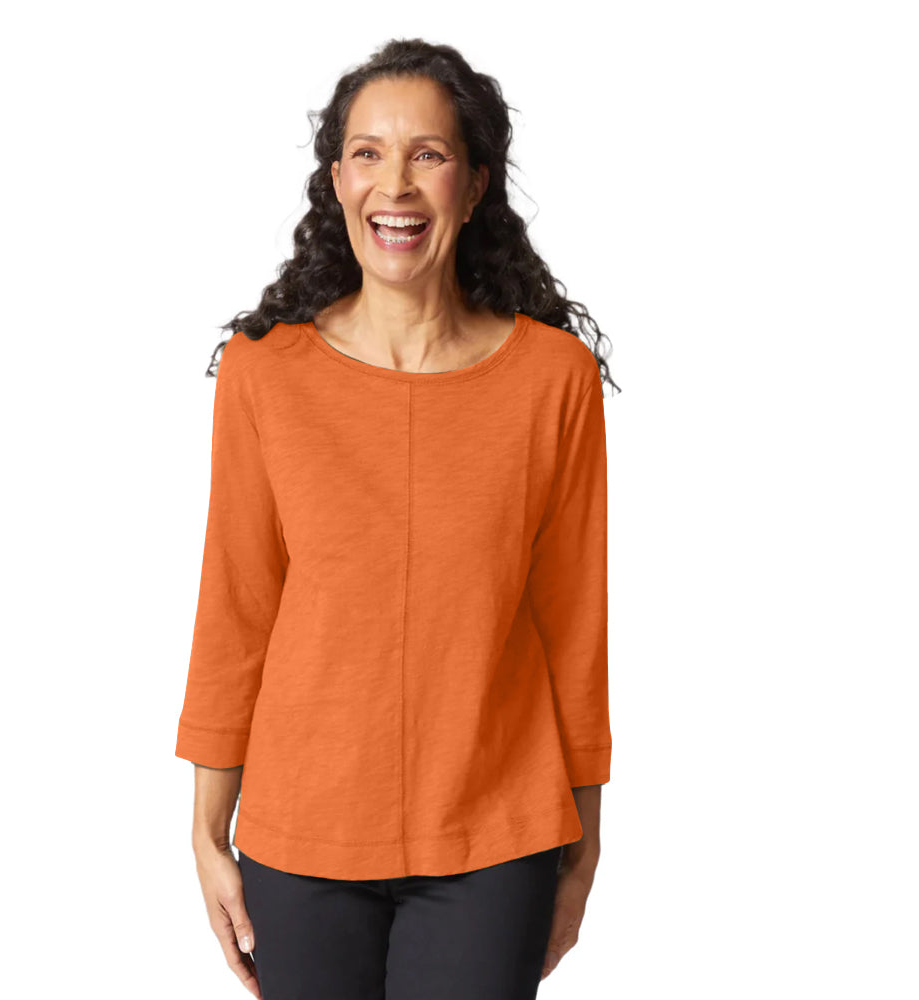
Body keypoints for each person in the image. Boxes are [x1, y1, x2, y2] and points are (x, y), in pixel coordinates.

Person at [175, 37, 621, 1000]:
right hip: (301, 833)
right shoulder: (264, 373)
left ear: (475, 183)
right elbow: (236, 609)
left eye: (428, 154)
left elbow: (573, 627)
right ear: (337, 181)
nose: (397, 184)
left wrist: (585, 846)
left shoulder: (554, 380)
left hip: (496, 835)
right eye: (369, 153)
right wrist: (206, 832)